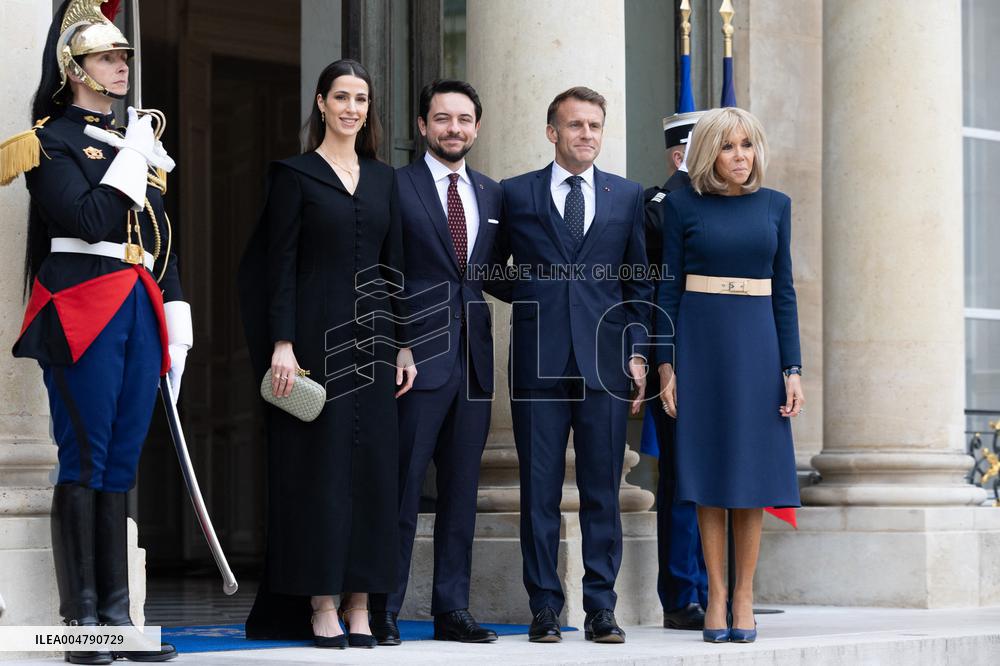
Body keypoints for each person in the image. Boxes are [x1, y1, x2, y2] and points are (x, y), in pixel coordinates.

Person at [1, 1, 189, 663]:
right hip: (82, 303)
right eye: (109, 57)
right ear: (76, 69)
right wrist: (131, 157)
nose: (122, 66)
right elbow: (91, 218)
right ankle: (84, 628)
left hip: (138, 302)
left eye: (124, 57)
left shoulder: (134, 141)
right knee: (84, 457)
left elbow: (160, 237)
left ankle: (118, 619)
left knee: (120, 462)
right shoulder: (47, 141)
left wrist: (177, 309)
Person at [239, 58, 416, 649]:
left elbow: (395, 268)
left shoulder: (386, 178)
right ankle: (320, 604)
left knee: (372, 475)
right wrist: (282, 344)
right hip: (313, 340)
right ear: (320, 103)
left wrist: (407, 344)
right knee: (318, 473)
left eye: (361, 99)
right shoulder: (294, 175)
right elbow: (278, 266)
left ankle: (360, 602)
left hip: (375, 342)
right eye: (341, 97)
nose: (351, 108)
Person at [492, 86, 652, 645]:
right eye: (576, 125)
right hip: (538, 359)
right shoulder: (515, 195)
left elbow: (638, 282)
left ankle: (601, 609)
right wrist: (541, 295)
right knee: (538, 488)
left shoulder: (626, 196)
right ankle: (543, 607)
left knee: (602, 489)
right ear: (551, 132)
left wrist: (636, 352)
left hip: (606, 363)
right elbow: (491, 270)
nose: (587, 134)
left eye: (595, 126)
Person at [655, 106, 804, 644]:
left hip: (759, 347)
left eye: (747, 145)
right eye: (727, 146)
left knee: (752, 476)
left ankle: (745, 595)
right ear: (707, 152)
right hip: (699, 343)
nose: (739, 156)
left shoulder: (776, 206)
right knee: (708, 475)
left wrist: (792, 367)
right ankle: (713, 593)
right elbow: (666, 289)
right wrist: (667, 366)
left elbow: (784, 290)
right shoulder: (680, 205)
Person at [369, 80, 501, 646]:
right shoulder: (394, 187)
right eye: (442, 118)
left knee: (461, 494)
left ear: (477, 127)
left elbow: (496, 274)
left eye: (465, 119)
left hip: (473, 364)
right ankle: (384, 607)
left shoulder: (493, 195)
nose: (454, 129)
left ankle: (452, 609)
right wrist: (396, 340)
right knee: (399, 489)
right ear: (422, 126)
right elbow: (379, 272)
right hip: (414, 361)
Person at [642, 111, 709, 631]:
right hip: (678, 359)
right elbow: (649, 296)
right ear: (678, 153)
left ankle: (720, 587)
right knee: (684, 481)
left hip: (727, 359)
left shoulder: (734, 204)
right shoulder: (658, 210)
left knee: (723, 479)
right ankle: (684, 594)